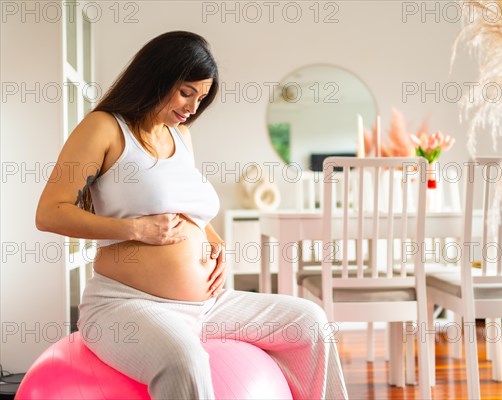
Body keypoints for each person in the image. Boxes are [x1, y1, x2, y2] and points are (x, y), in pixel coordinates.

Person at [35, 31, 348, 400]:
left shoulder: (181, 135)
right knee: (185, 359)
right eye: (187, 92)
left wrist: (214, 242)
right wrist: (134, 229)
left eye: (201, 98)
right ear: (157, 77)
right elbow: (50, 213)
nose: (193, 108)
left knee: (310, 322)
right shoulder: (104, 128)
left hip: (206, 305)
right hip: (125, 306)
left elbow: (186, 207)